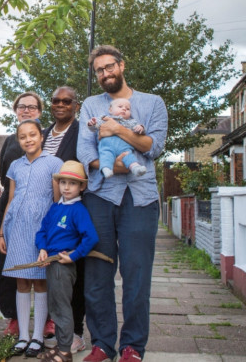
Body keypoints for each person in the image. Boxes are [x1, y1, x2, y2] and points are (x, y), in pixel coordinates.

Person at [77, 45, 168, 362]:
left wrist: (116, 129)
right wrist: (125, 163)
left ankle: (132, 347)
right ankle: (102, 343)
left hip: (140, 200)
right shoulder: (90, 105)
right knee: (98, 275)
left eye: (109, 67)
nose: (105, 73)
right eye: (99, 70)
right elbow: (86, 155)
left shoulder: (152, 103)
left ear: (121, 65)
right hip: (100, 197)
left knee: (137, 276)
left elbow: (153, 147)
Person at [0, 119, 63, 358]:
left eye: (33, 134)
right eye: (23, 136)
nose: (28, 139)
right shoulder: (15, 165)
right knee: (21, 281)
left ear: (41, 136)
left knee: (40, 281)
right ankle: (23, 335)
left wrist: (55, 235)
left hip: (41, 231)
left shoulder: (55, 163)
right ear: (19, 140)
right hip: (17, 229)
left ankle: (38, 336)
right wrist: (2, 232)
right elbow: (11, 199)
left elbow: (57, 201)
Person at [35, 160, 98, 362]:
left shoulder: (78, 210)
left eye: (72, 183)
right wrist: (42, 248)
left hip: (63, 266)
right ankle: (61, 347)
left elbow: (91, 237)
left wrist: (74, 255)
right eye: (63, 182)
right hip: (50, 262)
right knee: (54, 306)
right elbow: (42, 231)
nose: (66, 187)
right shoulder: (55, 207)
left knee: (62, 307)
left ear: (81, 187)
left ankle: (65, 351)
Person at [0, 92, 45, 338]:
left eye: (31, 106)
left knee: (44, 265)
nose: (26, 110)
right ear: (15, 111)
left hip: (40, 208)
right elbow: (6, 176)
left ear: (40, 111)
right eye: (21, 106)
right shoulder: (9, 141)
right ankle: (14, 318)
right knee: (8, 264)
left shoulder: (47, 141)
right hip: (11, 204)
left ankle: (48, 320)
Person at [42, 87, 87, 354]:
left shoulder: (81, 132)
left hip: (71, 210)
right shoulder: (45, 133)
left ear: (75, 105)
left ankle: (75, 334)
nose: (60, 104)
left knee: (74, 273)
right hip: (49, 210)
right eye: (56, 100)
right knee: (54, 275)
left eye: (66, 101)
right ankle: (58, 330)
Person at [86, 97, 147, 178]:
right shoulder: (104, 119)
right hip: (107, 146)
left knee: (129, 156)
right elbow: (93, 128)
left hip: (124, 148)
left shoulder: (131, 122)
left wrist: (140, 127)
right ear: (110, 110)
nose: (124, 109)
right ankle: (106, 169)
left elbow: (140, 132)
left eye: (127, 108)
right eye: (120, 107)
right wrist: (91, 123)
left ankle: (136, 168)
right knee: (106, 156)